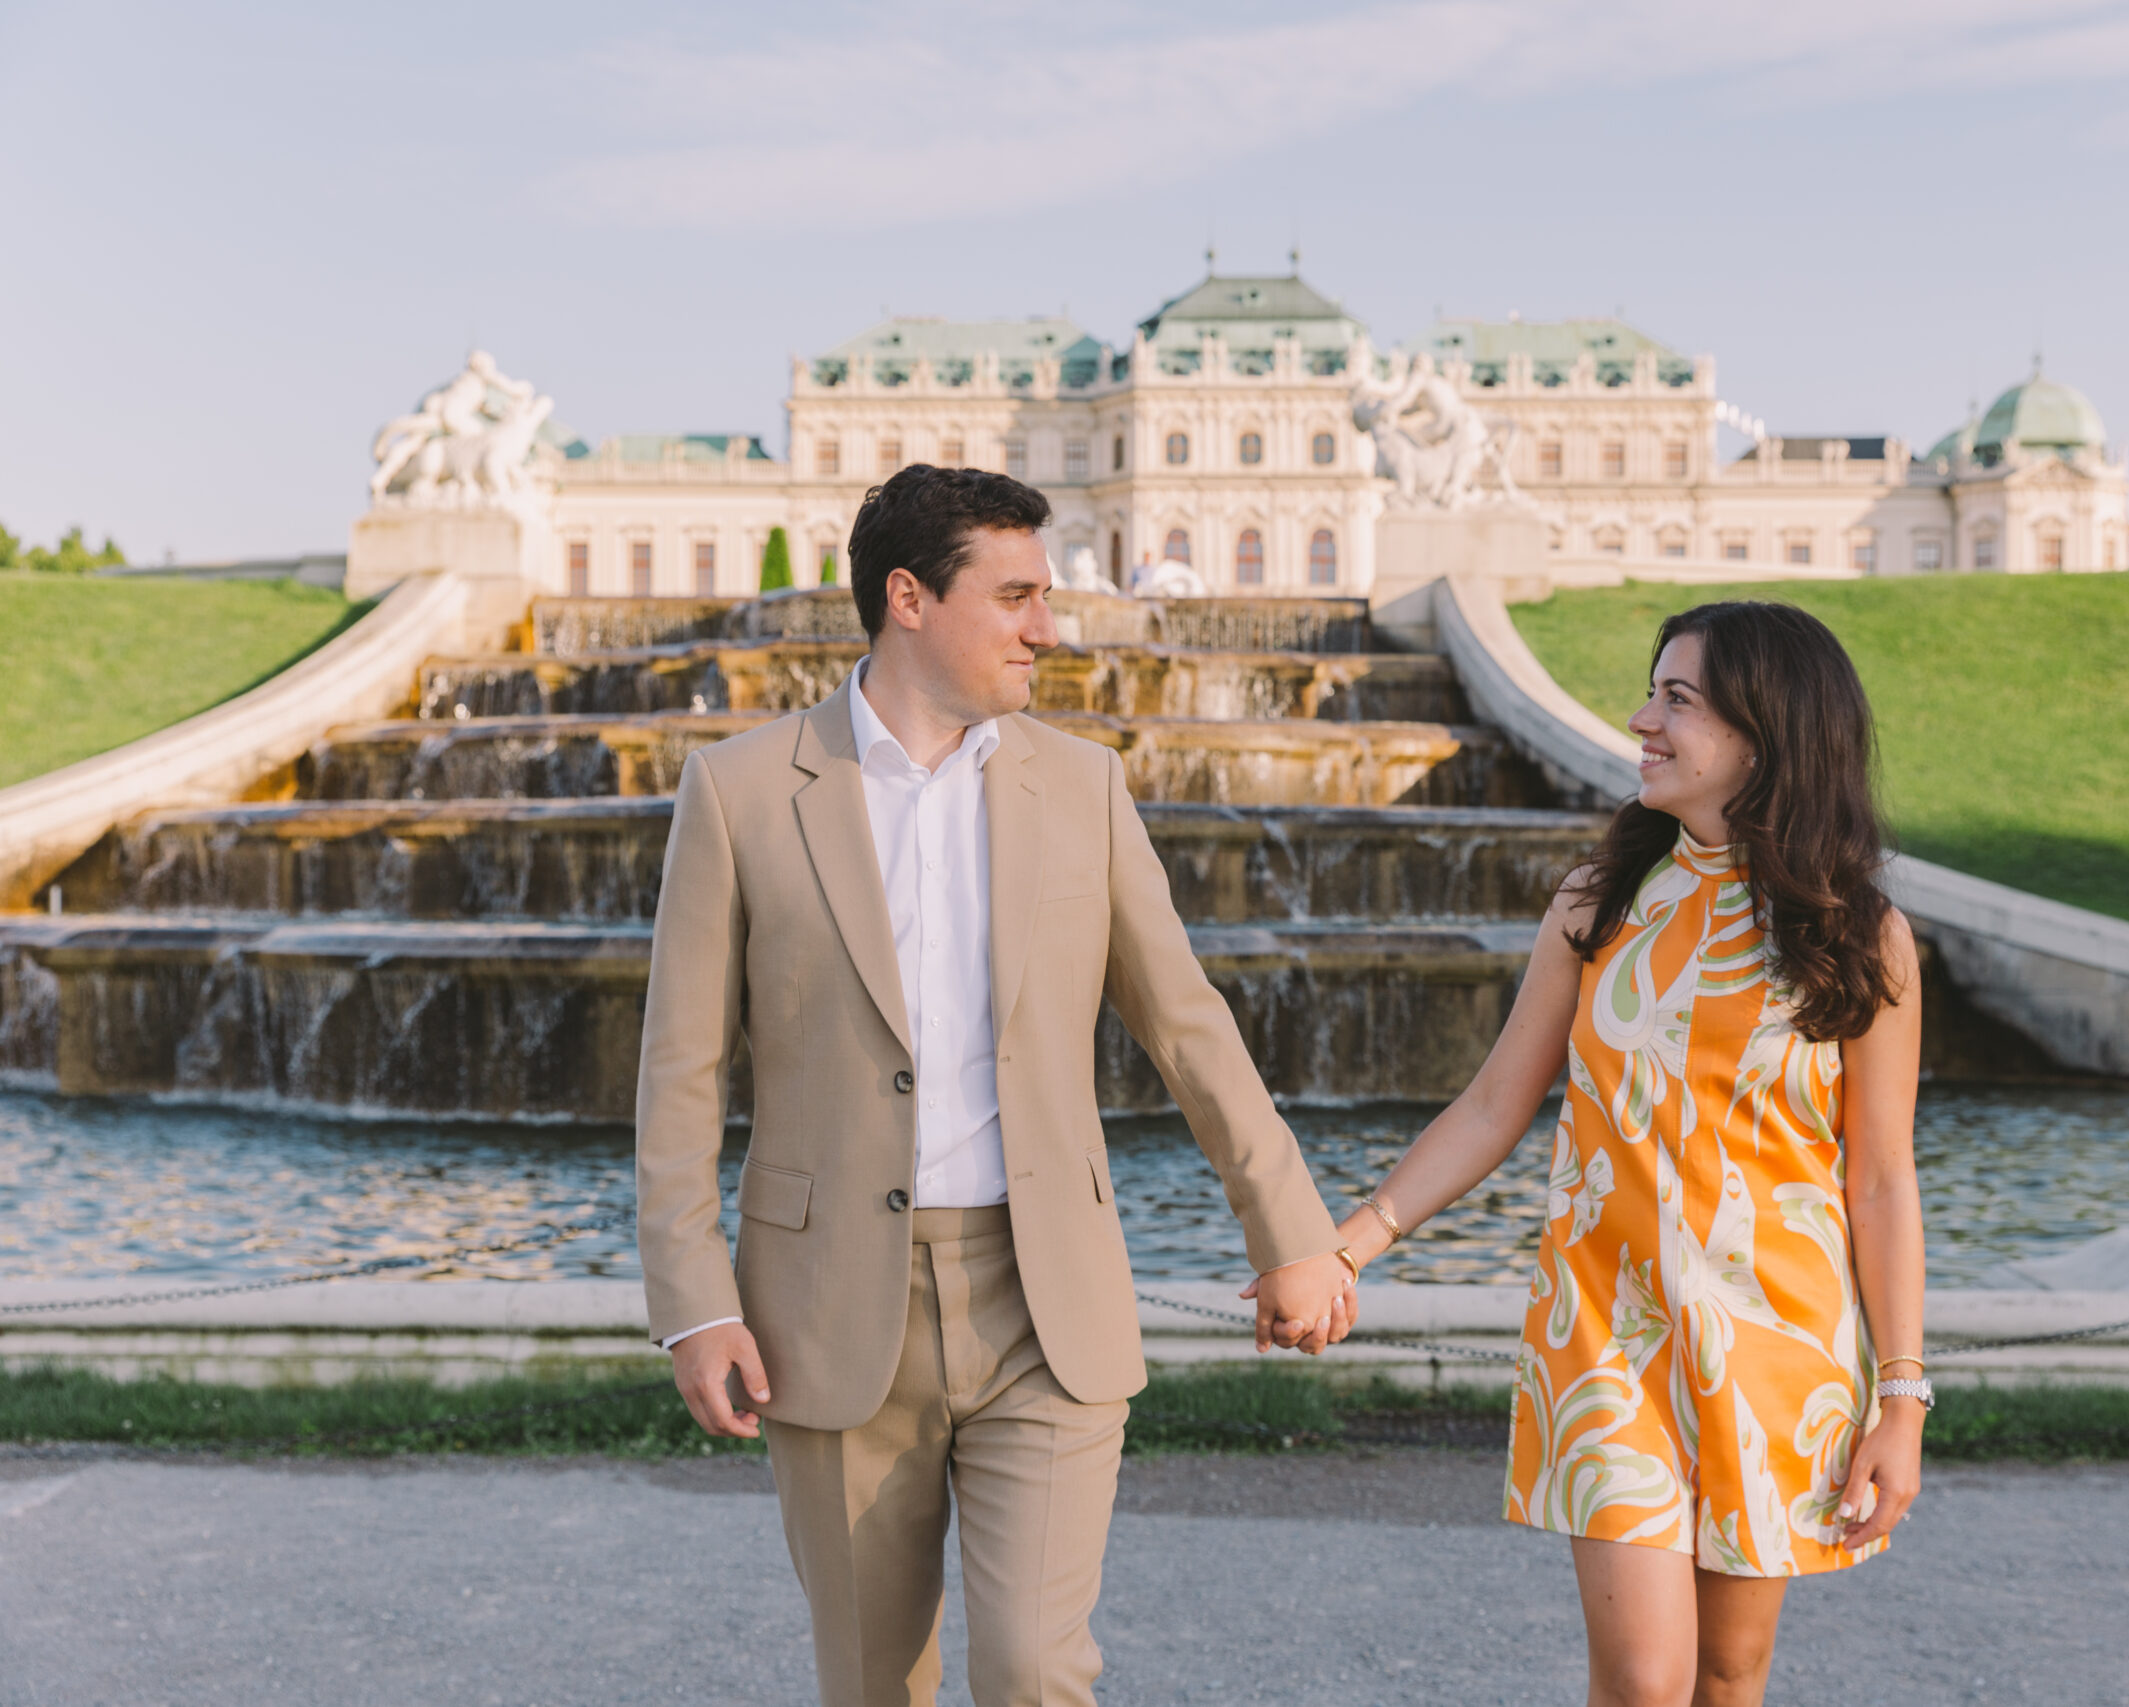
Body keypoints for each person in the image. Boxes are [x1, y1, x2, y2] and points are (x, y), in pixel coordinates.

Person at [634, 463, 1358, 1707]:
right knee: (872, 1679)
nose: (1048, 627)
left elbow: (1188, 1027)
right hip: (826, 1308)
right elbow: (680, 1069)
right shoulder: (742, 789)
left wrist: (1293, 1233)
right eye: (1017, 596)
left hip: (1046, 1296)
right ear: (909, 599)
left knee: (1033, 1670)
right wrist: (693, 1301)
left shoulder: (1082, 786)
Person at [1325, 600, 1928, 1707]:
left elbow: (1880, 1177)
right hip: (1606, 1338)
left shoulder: (1860, 934)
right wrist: (1350, 1246)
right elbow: (1494, 1103)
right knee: (1646, 1680)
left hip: (1777, 1347)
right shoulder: (1599, 904)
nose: (1641, 719)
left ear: (1767, 732)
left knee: (1729, 1672)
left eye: (1676, 701)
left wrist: (1902, 1399)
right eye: (1653, 693)